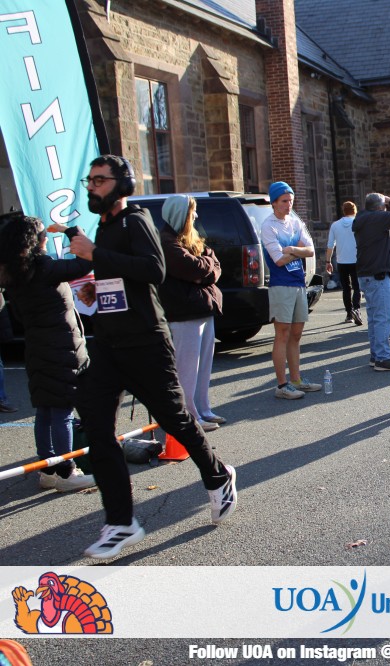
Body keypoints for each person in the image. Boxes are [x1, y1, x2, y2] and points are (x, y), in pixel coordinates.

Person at [70, 154, 236, 559]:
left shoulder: (135, 220)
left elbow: (153, 269)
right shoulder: (104, 227)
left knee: (175, 419)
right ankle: (121, 521)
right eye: (89, 180)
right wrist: (96, 285)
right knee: (96, 427)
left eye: (99, 180)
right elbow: (122, 277)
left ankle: (218, 476)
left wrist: (95, 255)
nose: (92, 186)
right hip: (108, 343)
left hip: (145, 341)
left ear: (122, 184)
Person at [0, 213, 94, 491]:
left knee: (44, 410)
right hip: (61, 347)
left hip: (36, 347)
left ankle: (48, 470)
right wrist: (70, 230)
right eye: (43, 234)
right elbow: (87, 260)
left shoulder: (13, 272)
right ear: (36, 241)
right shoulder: (44, 267)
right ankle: (67, 472)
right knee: (62, 410)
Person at [158, 195, 225, 430]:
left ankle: (203, 409)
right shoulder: (167, 242)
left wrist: (207, 268)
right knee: (187, 369)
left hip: (203, 310)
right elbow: (194, 268)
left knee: (203, 366)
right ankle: (189, 417)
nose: (195, 216)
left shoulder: (190, 239)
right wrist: (207, 267)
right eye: (191, 212)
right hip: (184, 314)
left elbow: (213, 264)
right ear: (180, 215)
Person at [261, 182, 321, 399]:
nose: (288, 205)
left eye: (291, 201)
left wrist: (293, 249)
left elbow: (311, 250)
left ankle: (296, 380)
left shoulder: (295, 222)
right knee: (283, 333)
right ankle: (282, 385)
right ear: (274, 202)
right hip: (281, 285)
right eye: (284, 201)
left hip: (298, 283)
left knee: (296, 334)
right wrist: (299, 251)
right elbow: (278, 260)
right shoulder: (269, 226)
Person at [353, 192, 390, 371]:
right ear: (380, 207)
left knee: (374, 318)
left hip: (366, 273)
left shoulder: (363, 218)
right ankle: (383, 358)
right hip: (377, 275)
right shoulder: (377, 217)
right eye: (384, 206)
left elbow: (373, 245)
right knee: (384, 318)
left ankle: (376, 355)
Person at [326, 201, 362, 326]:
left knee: (346, 288)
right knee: (357, 287)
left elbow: (330, 245)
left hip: (342, 261)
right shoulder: (358, 223)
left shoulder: (335, 225)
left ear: (344, 211)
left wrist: (328, 261)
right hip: (357, 260)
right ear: (355, 210)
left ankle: (349, 314)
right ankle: (357, 309)